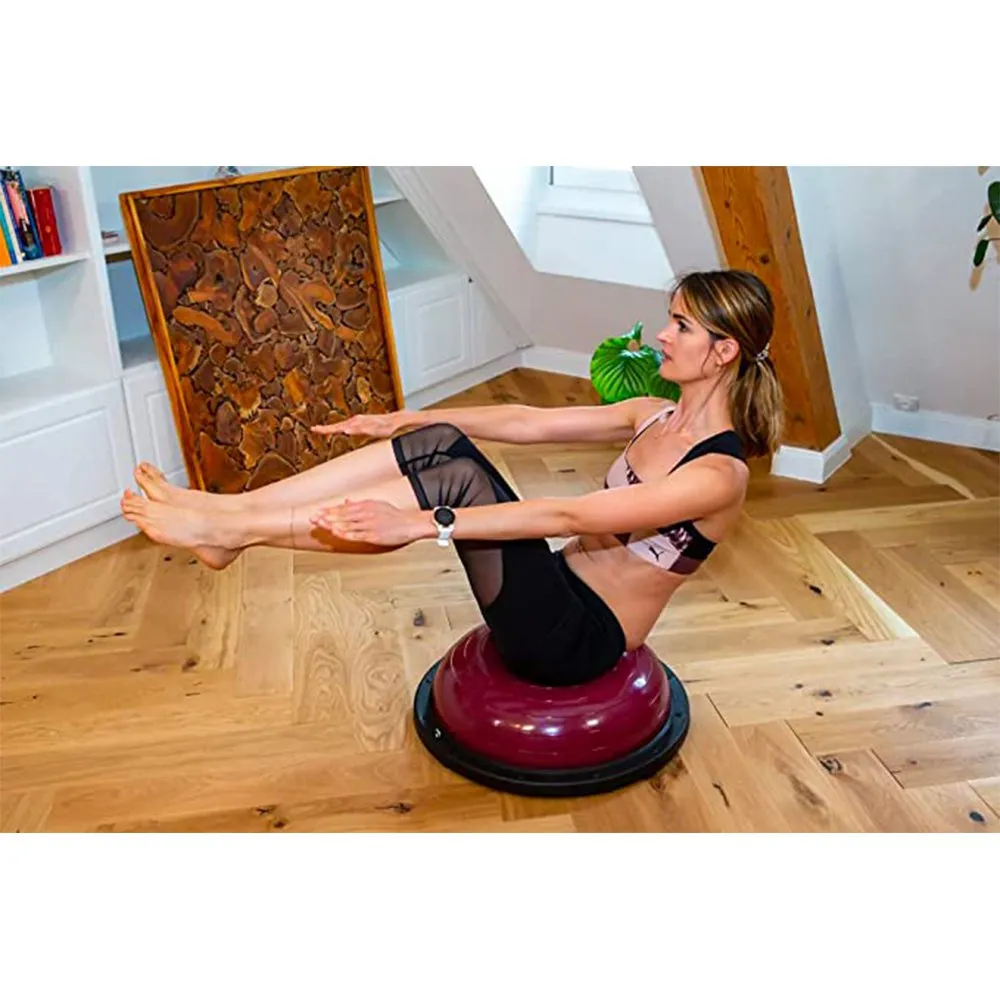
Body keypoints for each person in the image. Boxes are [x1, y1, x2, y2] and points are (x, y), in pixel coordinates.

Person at [121, 269, 783, 686]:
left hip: (577, 640)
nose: (663, 335)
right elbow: (526, 421)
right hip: (555, 587)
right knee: (439, 442)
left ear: (723, 351)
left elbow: (570, 516)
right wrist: (409, 418)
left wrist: (420, 524)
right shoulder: (652, 414)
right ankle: (231, 515)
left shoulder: (717, 475)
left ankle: (232, 530)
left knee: (457, 480)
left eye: (681, 326)